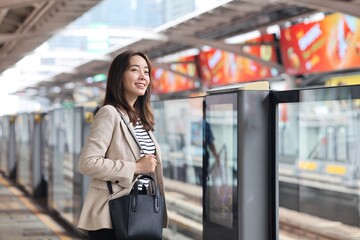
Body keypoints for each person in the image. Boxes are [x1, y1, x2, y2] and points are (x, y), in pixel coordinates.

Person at [77, 50, 168, 240]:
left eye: (146, 71)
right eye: (135, 70)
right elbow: (87, 162)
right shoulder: (109, 113)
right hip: (113, 217)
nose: (143, 76)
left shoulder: (142, 120)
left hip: (142, 212)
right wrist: (135, 167)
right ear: (120, 76)